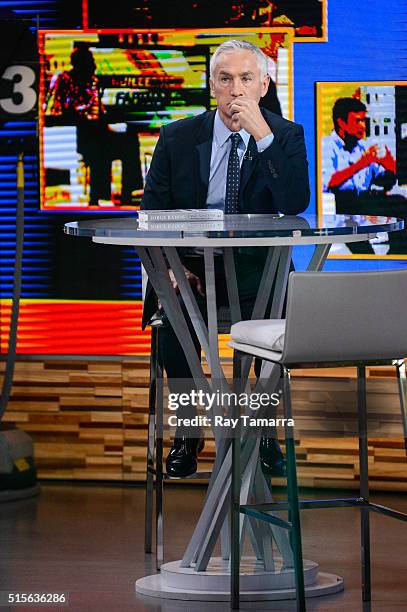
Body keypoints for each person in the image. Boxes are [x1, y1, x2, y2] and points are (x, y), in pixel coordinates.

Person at [141, 39, 310, 477]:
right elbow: (152, 215)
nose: (236, 90)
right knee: (169, 320)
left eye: (246, 79)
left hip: (257, 272)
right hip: (192, 270)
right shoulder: (177, 137)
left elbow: (294, 202)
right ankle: (189, 429)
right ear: (211, 86)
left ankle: (265, 432)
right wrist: (170, 273)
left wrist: (263, 138)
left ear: (264, 85)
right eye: (226, 79)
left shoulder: (285, 135)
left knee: (280, 326)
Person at [45, 46, 143, 206]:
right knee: (100, 144)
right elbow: (59, 111)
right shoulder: (63, 80)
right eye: (91, 63)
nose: (94, 67)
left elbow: (98, 110)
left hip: (94, 131)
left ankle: (129, 193)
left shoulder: (91, 82)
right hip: (74, 135)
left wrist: (109, 116)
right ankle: (99, 195)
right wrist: (88, 115)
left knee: (130, 140)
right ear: (80, 65)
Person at [322, 97, 398, 254]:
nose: (363, 126)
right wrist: (362, 163)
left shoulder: (362, 147)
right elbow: (329, 182)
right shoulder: (326, 145)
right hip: (341, 207)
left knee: (399, 203)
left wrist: (390, 166)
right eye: (358, 121)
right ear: (342, 123)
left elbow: (383, 179)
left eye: (364, 120)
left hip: (363, 204)